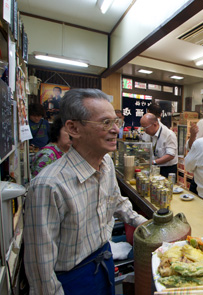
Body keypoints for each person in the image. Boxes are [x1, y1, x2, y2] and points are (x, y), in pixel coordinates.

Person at [24, 89, 147, 295]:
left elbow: (116, 201)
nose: (116, 130)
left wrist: (144, 224)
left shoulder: (106, 163)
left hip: (103, 261)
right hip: (72, 279)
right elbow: (40, 268)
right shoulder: (49, 186)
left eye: (116, 122)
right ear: (73, 128)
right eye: (105, 123)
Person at [140, 113, 178, 178]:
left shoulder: (169, 134)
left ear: (155, 124)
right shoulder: (149, 132)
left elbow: (170, 155)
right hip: (155, 167)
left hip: (167, 169)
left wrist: (153, 162)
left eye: (145, 128)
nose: (144, 130)